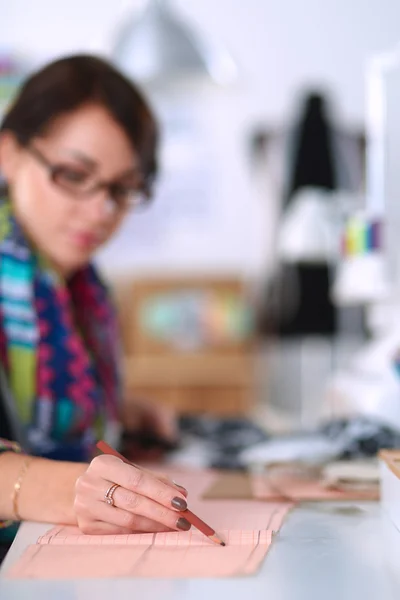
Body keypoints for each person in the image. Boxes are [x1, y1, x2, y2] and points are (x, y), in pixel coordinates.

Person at [0, 54, 183, 555]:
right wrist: (63, 488)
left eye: (123, 189)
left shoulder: (80, 292)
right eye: (74, 174)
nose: (101, 211)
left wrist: (114, 411)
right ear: (8, 153)